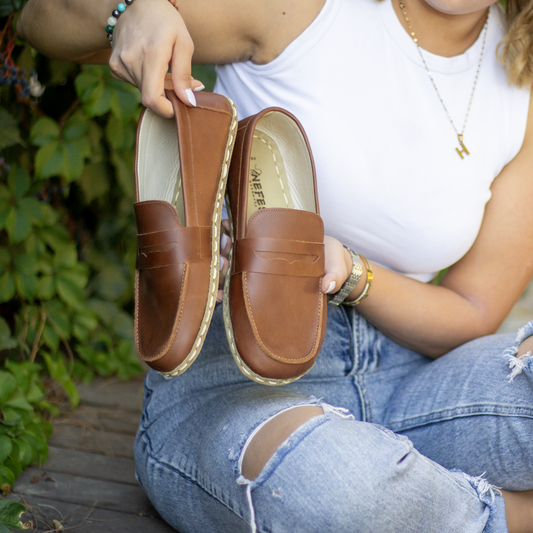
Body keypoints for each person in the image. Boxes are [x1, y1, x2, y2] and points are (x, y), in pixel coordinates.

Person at [17, 0, 533, 531]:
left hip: (419, 387)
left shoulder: (522, 76)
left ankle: (415, 498)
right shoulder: (302, 9)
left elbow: (472, 310)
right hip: (239, 388)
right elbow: (40, 17)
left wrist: (350, 272)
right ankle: (504, 517)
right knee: (331, 488)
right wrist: (128, 12)